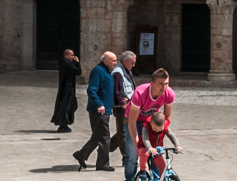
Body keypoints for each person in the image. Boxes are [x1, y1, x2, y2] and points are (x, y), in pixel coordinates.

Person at [74, 50, 117, 171]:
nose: (115, 63)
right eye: (113, 61)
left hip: (105, 110)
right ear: (106, 61)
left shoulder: (107, 71)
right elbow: (91, 90)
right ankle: (102, 164)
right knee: (104, 137)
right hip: (98, 111)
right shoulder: (98, 71)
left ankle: (81, 154)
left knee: (98, 136)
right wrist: (99, 104)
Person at [125, 68, 174, 158]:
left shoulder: (169, 94)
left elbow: (167, 117)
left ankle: (155, 172)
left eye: (166, 84)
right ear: (152, 84)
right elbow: (132, 121)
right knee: (133, 156)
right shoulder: (140, 93)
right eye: (161, 84)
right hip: (134, 120)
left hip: (151, 121)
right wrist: (137, 145)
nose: (164, 87)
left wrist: (160, 134)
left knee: (156, 155)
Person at [110, 51, 138, 180]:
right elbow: (115, 91)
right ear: (125, 61)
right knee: (123, 132)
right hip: (122, 108)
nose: (133, 65)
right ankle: (126, 157)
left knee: (125, 130)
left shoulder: (126, 71)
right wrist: (121, 103)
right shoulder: (118, 73)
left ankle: (106, 147)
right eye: (132, 62)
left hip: (130, 106)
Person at [137, 108, 181, 179]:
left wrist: (177, 145)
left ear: (163, 124)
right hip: (145, 147)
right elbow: (145, 139)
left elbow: (171, 135)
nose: (156, 130)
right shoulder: (146, 126)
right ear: (150, 122)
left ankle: (163, 178)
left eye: (159, 129)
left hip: (156, 149)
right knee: (144, 153)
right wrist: (149, 147)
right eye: (154, 128)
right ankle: (143, 170)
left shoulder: (165, 127)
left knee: (163, 165)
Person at [53, 48, 81, 132]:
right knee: (67, 106)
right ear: (66, 55)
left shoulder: (64, 62)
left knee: (70, 105)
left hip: (67, 87)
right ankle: (63, 124)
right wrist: (78, 63)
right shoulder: (67, 63)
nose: (73, 57)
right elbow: (78, 72)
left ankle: (64, 123)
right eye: (71, 55)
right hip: (68, 88)